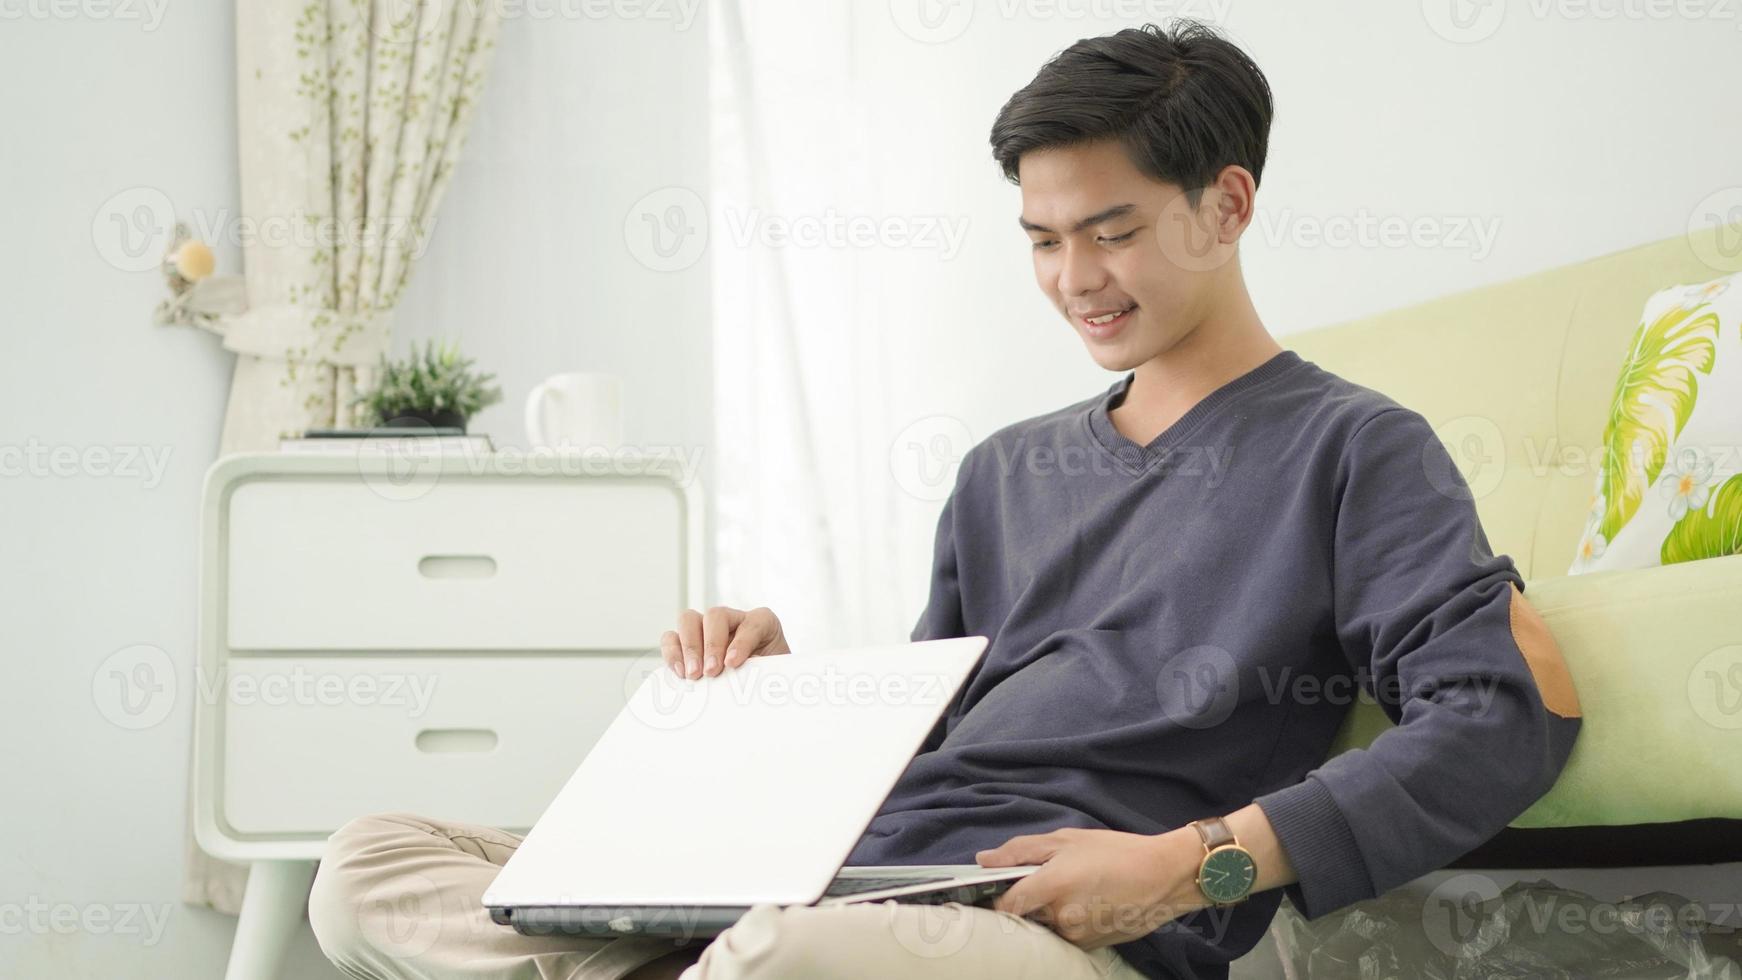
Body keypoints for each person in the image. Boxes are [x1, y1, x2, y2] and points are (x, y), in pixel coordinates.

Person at [308, 19, 1583, 980]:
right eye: (1039, 238)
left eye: (1112, 229)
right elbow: (930, 736)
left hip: (1049, 921)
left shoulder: (1354, 448)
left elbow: (1502, 713)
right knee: (361, 864)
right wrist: (781, 695)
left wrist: (1185, 864)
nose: (1073, 277)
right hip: (853, 868)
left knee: (777, 957)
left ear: (1226, 204)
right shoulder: (1000, 472)